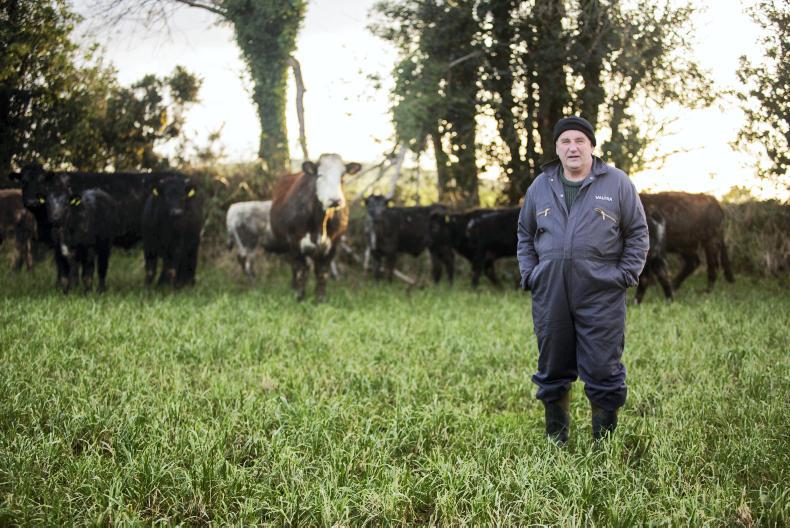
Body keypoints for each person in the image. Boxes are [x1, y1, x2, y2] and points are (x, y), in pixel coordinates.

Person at [516, 116, 648, 444]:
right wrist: (531, 273)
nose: (572, 147)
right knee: (552, 366)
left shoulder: (617, 183)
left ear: (591, 146)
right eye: (565, 141)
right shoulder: (540, 186)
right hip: (551, 292)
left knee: (603, 367)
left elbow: (637, 233)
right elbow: (525, 233)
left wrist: (625, 274)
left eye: (579, 141)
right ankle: (556, 440)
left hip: (601, 291)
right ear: (556, 148)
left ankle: (604, 445)